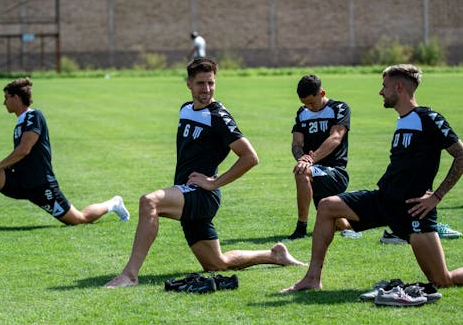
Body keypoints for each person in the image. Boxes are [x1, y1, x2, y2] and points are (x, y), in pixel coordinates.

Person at [105, 58, 305, 288]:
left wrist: (214, 182)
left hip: (202, 195)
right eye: (201, 83)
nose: (206, 89)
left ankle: (130, 275)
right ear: (189, 84)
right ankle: (274, 255)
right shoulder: (185, 109)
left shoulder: (218, 116)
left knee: (149, 202)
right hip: (186, 192)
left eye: (211, 83)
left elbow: (250, 157)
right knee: (216, 264)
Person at [282, 64, 463, 293]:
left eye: (384, 86)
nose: (380, 92)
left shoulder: (428, 118)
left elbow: (461, 154)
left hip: (413, 209)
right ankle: (312, 278)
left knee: (442, 280)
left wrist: (436, 196)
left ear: (398, 88)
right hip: (384, 199)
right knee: (327, 206)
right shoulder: (403, 119)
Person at [0, 78, 129, 232]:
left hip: (41, 186)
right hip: (20, 182)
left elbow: (24, 149)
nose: (4, 102)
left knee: (79, 219)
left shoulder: (34, 116)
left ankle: (113, 203)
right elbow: (23, 156)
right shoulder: (19, 123)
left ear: (16, 98)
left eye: (6, 97)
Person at [285, 75, 354, 240]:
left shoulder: (339, 108)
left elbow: (335, 138)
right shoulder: (303, 113)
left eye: (311, 102)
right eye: (304, 103)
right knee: (339, 224)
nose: (308, 107)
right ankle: (354, 216)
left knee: (302, 172)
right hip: (314, 173)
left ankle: (301, 228)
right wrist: (302, 158)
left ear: (322, 93)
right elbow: (296, 144)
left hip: (335, 173)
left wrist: (310, 160)